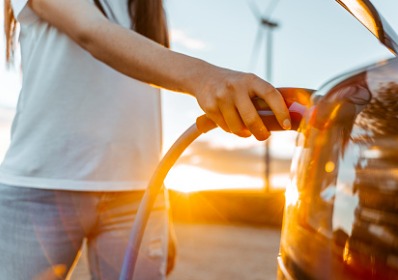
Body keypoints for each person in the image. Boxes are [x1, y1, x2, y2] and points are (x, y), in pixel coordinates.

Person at [0, 0, 292, 279]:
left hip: (137, 196)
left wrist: (158, 204)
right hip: (38, 189)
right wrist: (204, 77)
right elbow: (89, 30)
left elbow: (145, 101)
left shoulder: (149, 4)